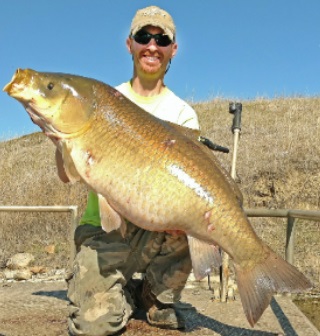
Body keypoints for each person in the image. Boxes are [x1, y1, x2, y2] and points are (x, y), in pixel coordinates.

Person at [56, 5, 200, 336]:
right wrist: (60, 138)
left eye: (162, 38)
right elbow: (67, 176)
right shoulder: (101, 100)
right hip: (104, 231)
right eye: (143, 36)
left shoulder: (183, 114)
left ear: (173, 50)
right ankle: (109, 293)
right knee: (94, 326)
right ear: (130, 44)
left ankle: (154, 297)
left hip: (156, 229)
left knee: (199, 224)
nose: (152, 45)